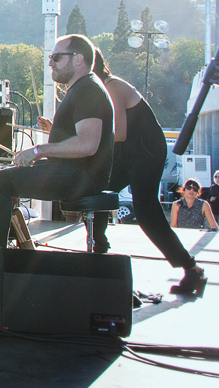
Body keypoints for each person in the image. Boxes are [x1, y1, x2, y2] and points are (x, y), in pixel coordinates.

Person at [0, 35, 114, 291]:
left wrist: (38, 150)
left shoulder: (88, 89)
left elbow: (88, 144)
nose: (50, 63)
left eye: (56, 57)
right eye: (50, 58)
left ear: (78, 59)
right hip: (70, 171)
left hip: (80, 177)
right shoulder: (82, 88)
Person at [84, 50, 211, 295]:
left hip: (144, 150)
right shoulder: (98, 89)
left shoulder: (112, 87)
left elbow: (118, 133)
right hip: (126, 151)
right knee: (95, 189)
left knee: (146, 212)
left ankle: (192, 269)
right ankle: (100, 255)